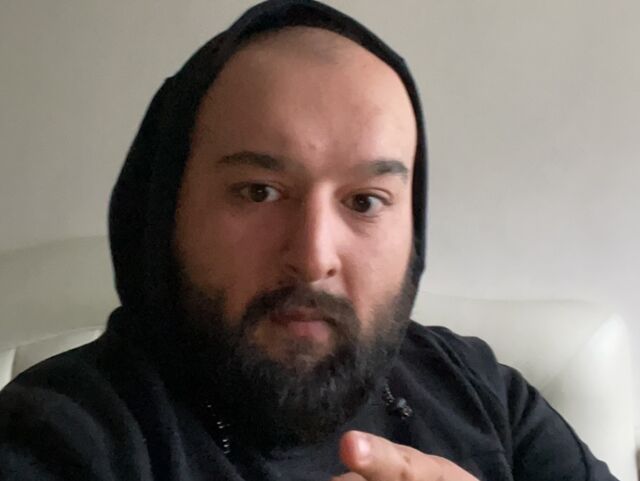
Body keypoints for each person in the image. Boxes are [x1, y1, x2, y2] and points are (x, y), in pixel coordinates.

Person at [0, 1, 618, 480]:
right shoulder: (60, 436)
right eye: (258, 191)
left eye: (365, 201)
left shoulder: (484, 393)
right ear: (166, 213)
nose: (314, 255)